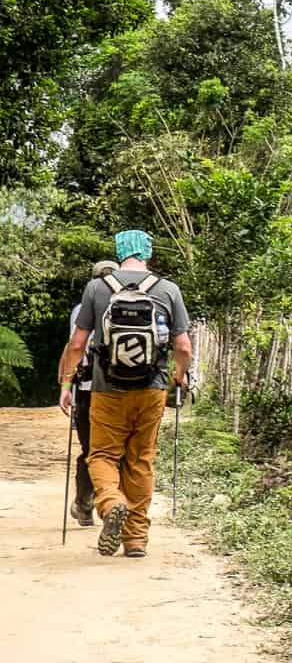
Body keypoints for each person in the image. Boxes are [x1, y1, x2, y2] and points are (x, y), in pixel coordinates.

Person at [55, 230, 192, 559]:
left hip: (107, 388)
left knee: (102, 456)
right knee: (140, 460)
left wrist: (65, 384)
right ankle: (135, 540)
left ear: (118, 252)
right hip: (152, 388)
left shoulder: (97, 288)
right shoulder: (168, 289)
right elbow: (183, 346)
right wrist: (178, 375)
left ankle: (111, 502)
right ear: (148, 253)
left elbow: (77, 345)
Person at [60, 260, 122, 527]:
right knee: (119, 451)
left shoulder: (81, 309)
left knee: (91, 449)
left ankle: (85, 504)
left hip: (87, 388)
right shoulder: (133, 305)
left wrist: (65, 385)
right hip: (124, 388)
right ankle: (114, 502)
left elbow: (75, 346)